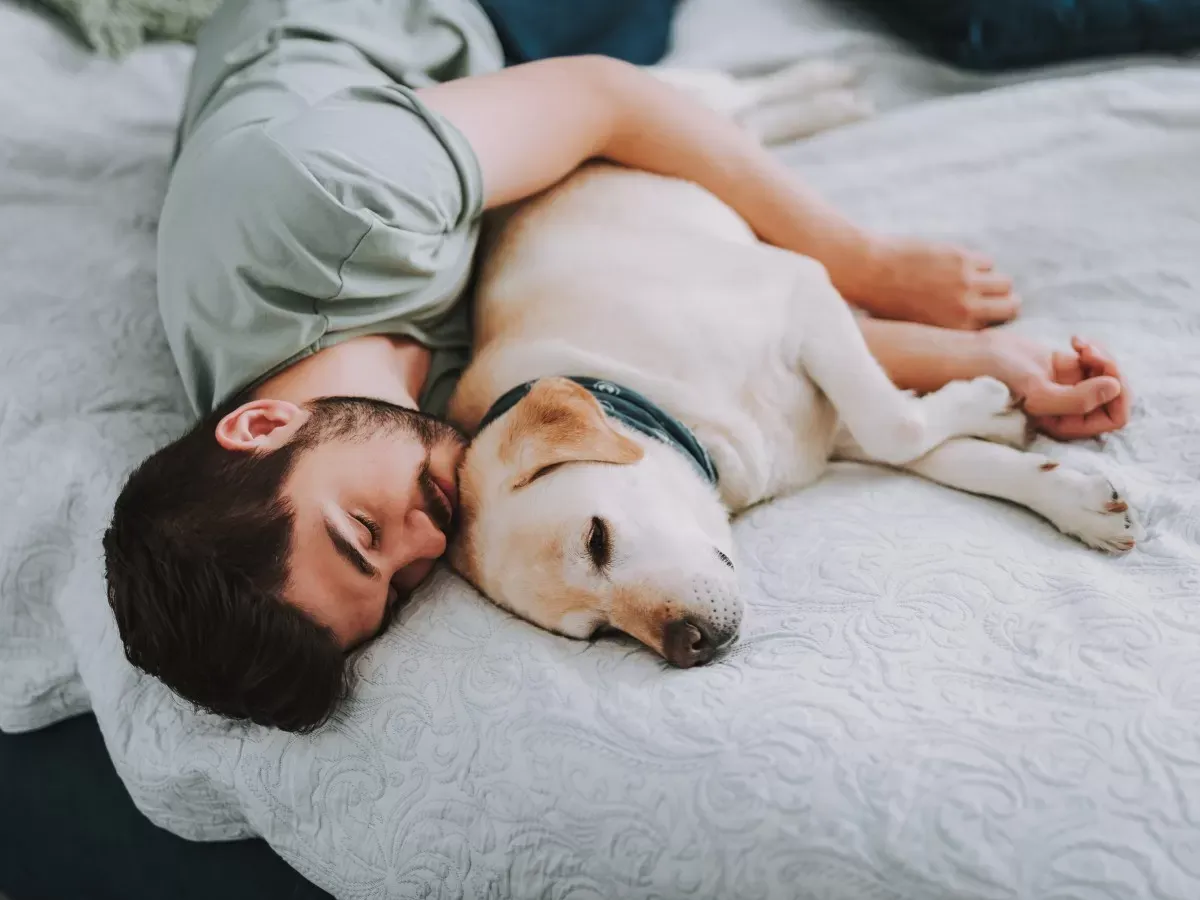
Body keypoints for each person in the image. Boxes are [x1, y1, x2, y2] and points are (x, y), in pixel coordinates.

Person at [102, 0, 1130, 733]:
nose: (429, 533)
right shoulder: (406, 416)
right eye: (402, 582)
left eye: (361, 529)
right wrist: (992, 366)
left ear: (256, 429)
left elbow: (605, 101)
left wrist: (872, 266)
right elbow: (703, 319)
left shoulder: (325, 208)